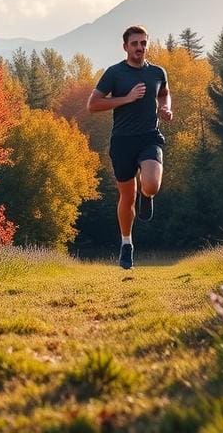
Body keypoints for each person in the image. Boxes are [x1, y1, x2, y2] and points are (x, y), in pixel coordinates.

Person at [87, 25, 173, 270]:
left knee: (152, 185)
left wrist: (165, 108)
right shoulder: (115, 73)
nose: (139, 48)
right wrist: (126, 98)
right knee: (126, 195)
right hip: (122, 141)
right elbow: (93, 105)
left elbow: (164, 93)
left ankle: (147, 196)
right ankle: (127, 244)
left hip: (149, 137)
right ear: (125, 47)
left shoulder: (157, 72)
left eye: (143, 43)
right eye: (135, 43)